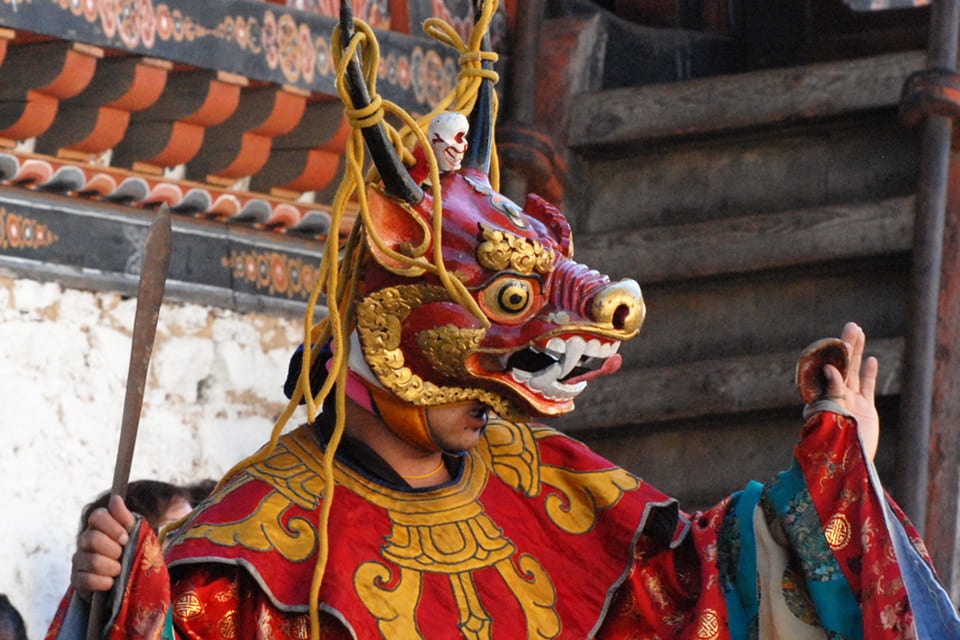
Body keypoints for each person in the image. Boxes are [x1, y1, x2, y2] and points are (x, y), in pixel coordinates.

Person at [46, 2, 960, 639]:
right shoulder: (240, 553)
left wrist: (838, 472)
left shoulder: (548, 480)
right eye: (506, 304)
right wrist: (126, 604)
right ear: (385, 313)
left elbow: (710, 584)